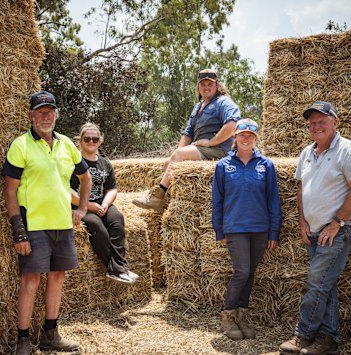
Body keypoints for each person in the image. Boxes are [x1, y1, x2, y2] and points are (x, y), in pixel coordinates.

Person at [2, 91, 92, 355]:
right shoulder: (21, 145)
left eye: (50, 111)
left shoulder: (66, 144)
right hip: (34, 225)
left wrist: (83, 209)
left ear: (56, 114)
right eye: (40, 111)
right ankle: (23, 342)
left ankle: (50, 334)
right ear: (31, 115)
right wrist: (19, 230)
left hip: (63, 225)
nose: (46, 116)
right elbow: (10, 189)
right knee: (30, 281)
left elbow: (85, 177)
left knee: (57, 277)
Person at [279, 101, 351, 355]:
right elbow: (300, 188)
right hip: (313, 230)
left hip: (338, 230)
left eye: (321, 121)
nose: (316, 126)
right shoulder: (307, 152)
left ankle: (304, 334)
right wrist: (303, 222)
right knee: (325, 285)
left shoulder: (348, 151)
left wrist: (336, 222)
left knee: (316, 283)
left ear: (334, 122)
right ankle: (328, 339)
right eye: (312, 122)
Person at [212, 118, 282, 341]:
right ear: (235, 137)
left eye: (250, 136)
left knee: (250, 273)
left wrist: (273, 232)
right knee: (241, 271)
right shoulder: (223, 166)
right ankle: (228, 316)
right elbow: (217, 200)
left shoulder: (266, 165)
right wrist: (219, 231)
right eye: (242, 135)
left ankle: (242, 316)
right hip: (235, 228)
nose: (246, 139)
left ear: (255, 139)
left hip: (260, 229)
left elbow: (273, 200)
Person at [133, 68, 241, 212]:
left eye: (210, 84)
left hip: (218, 151)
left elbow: (232, 125)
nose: (206, 87)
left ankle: (157, 197)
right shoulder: (198, 107)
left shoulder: (224, 102)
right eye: (203, 84)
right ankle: (173, 202)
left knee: (178, 156)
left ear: (217, 85)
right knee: (169, 162)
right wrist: (177, 152)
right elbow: (188, 133)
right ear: (198, 87)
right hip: (202, 149)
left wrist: (211, 142)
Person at [70, 122, 139, 284]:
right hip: (81, 206)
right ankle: (118, 269)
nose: (91, 142)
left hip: (102, 203)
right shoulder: (74, 162)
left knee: (117, 219)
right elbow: (69, 191)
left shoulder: (105, 163)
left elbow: (112, 189)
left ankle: (118, 268)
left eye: (95, 139)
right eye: (87, 139)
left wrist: (106, 204)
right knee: (96, 225)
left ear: (100, 141)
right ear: (80, 141)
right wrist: (88, 205)